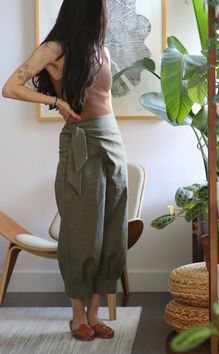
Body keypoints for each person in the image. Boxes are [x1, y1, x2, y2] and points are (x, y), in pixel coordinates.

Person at [2, 0, 128, 342]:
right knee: (82, 234)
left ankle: (94, 313)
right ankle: (77, 317)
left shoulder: (99, 49)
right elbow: (10, 87)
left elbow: (107, 100)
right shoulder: (54, 49)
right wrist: (55, 102)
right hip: (81, 142)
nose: (105, 13)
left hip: (112, 141)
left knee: (111, 232)